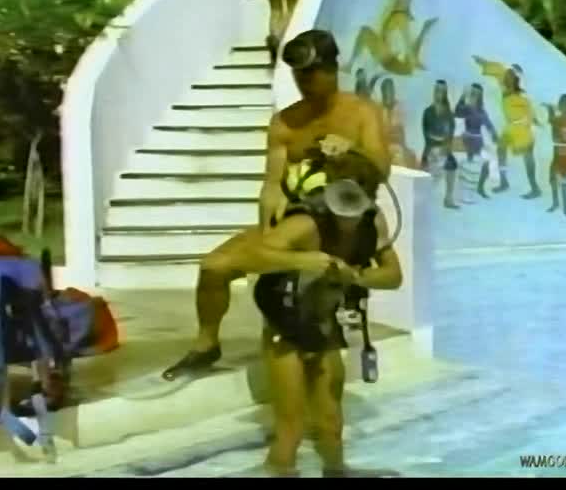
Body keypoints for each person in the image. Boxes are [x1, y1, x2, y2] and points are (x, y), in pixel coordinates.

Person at [162, 29, 392, 381]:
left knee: (287, 279)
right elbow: (272, 185)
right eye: (299, 75)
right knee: (213, 267)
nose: (304, 82)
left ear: (332, 69)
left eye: (311, 74)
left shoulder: (362, 113)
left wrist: (352, 151)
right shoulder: (285, 122)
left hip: (341, 227)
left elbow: (382, 170)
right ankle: (206, 345)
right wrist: (268, 228)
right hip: (294, 221)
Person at [250, 149, 402, 477]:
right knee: (291, 426)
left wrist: (355, 276)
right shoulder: (306, 222)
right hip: (285, 322)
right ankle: (280, 469)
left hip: (323, 321)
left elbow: (393, 276)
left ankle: (337, 471)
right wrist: (307, 261)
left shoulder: (373, 222)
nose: (347, 215)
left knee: (331, 420)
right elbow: (255, 255)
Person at [341, 0, 437, 76]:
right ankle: (349, 65)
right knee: (365, 32)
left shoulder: (402, 17)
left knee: (366, 32)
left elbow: (408, 41)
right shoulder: (394, 5)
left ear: (408, 3)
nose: (401, 1)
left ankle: (350, 65)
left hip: (394, 61)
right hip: (387, 55)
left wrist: (414, 61)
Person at [473, 56, 542, 199]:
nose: (508, 77)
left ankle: (535, 188)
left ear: (516, 80)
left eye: (511, 76)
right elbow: (496, 68)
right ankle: (504, 182)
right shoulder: (503, 80)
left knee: (527, 157)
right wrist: (481, 62)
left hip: (522, 128)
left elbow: (530, 111)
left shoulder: (522, 96)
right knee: (501, 149)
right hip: (510, 126)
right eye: (508, 74)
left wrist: (534, 121)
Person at [454, 83, 498, 199]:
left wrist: (494, 134)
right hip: (468, 139)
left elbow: (489, 124)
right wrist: (462, 97)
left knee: (483, 163)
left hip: (477, 140)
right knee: (469, 164)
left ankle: (479, 187)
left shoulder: (481, 111)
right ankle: (466, 189)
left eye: (476, 94)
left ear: (480, 96)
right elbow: (457, 112)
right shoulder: (467, 108)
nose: (474, 96)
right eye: (472, 93)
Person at [421, 80, 459, 209]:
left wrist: (445, 147)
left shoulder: (449, 114)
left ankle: (448, 199)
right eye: (437, 90)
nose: (439, 93)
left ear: (445, 93)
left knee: (452, 165)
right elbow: (426, 135)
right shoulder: (427, 112)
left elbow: (450, 135)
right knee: (428, 174)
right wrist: (434, 149)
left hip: (444, 148)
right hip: (430, 148)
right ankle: (422, 199)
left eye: (442, 91)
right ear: (434, 92)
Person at [543, 94, 566, 218]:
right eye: (561, 103)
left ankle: (565, 207)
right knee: (554, 177)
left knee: (561, 178)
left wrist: (550, 109)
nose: (561, 105)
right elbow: (552, 121)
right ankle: (557, 203)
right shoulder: (563, 117)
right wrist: (550, 109)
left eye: (564, 104)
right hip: (559, 149)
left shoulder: (565, 119)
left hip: (564, 151)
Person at [380, 77, 417, 168]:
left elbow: (399, 130)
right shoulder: (379, 109)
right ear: (382, 93)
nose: (388, 94)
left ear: (393, 92)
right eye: (385, 91)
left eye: (390, 91)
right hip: (383, 145)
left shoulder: (400, 107)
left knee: (401, 157)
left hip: (397, 145)